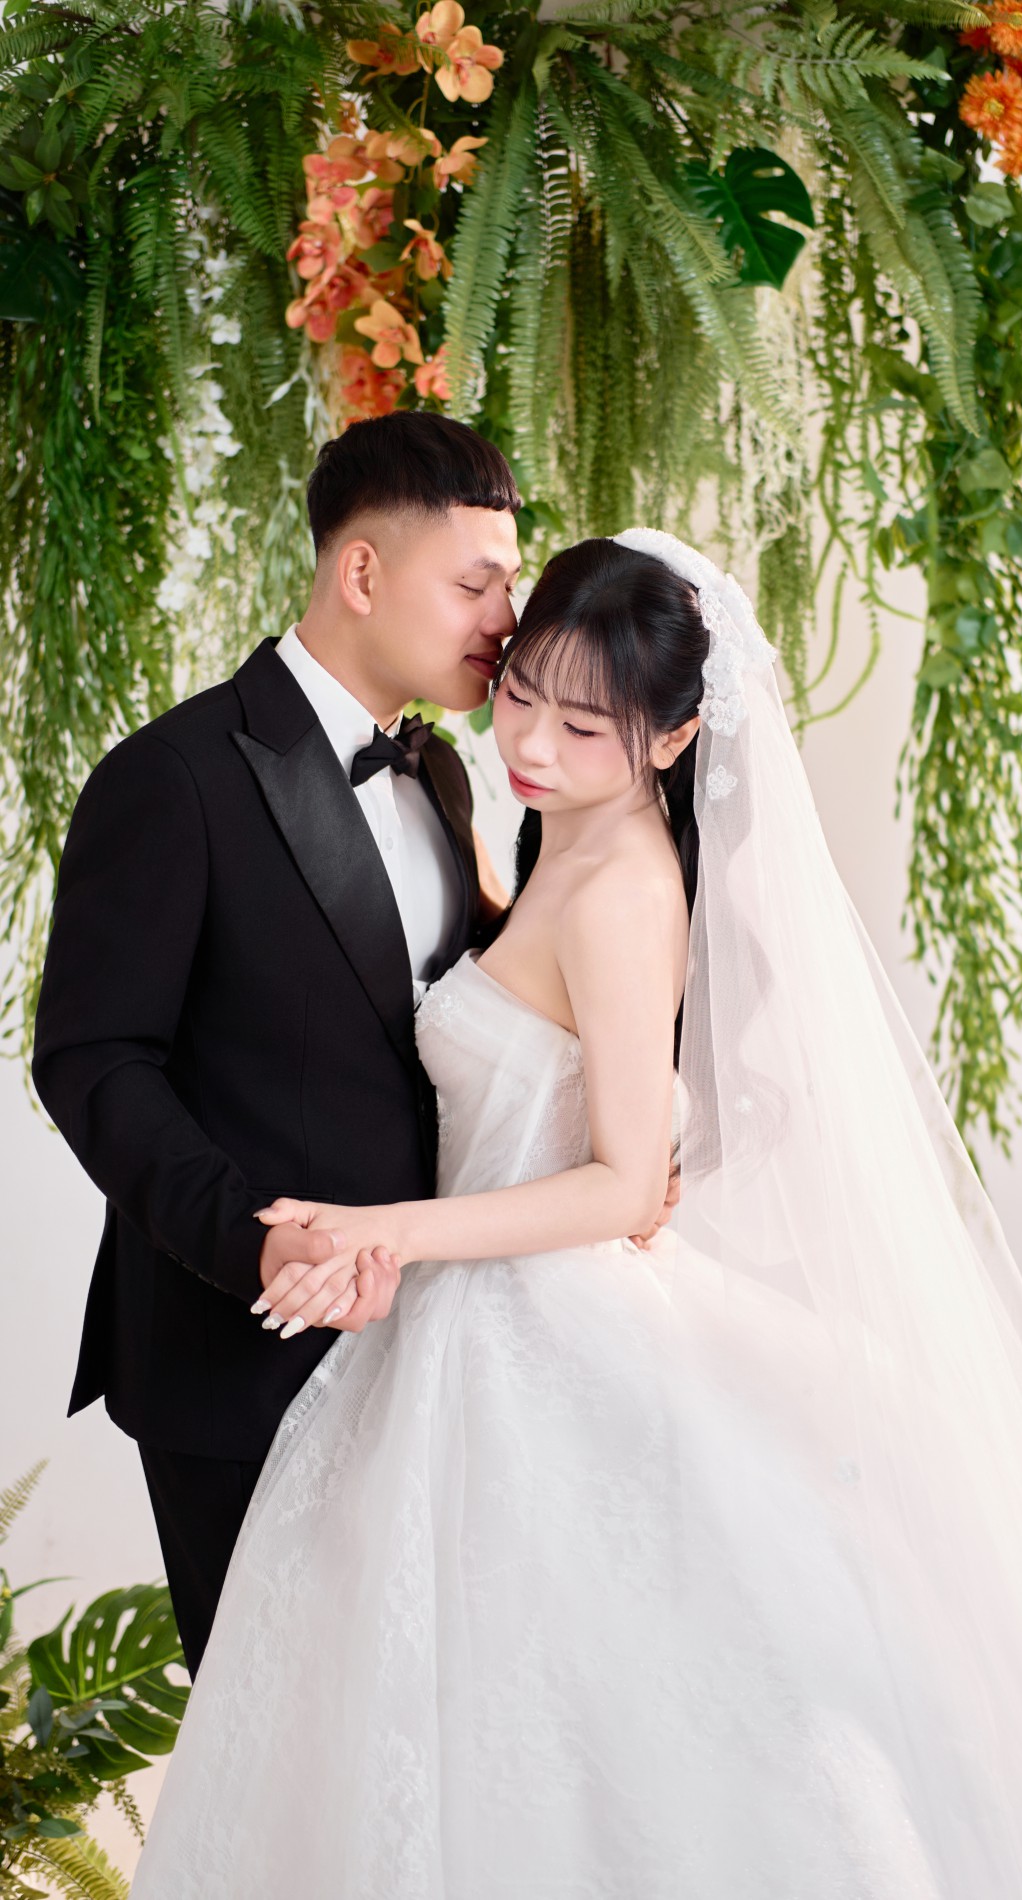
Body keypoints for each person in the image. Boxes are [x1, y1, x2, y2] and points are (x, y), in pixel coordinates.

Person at [129, 528, 1022, 1896]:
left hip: (524, 1319)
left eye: (582, 727)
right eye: (521, 693)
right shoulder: (548, 835)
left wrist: (391, 1229)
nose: (530, 742)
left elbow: (619, 1185)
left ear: (672, 740)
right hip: (474, 1318)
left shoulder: (620, 887)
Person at [32, 413, 525, 1676]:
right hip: (239, 1356)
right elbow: (93, 1060)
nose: (507, 620)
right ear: (361, 571)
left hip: (427, 1346)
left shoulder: (445, 776)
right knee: (275, 1746)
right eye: (476, 583)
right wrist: (255, 1240)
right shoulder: (171, 777)